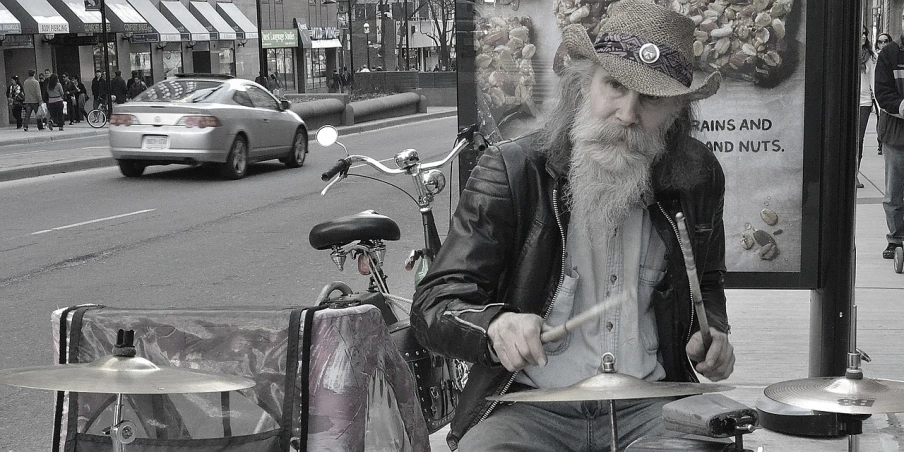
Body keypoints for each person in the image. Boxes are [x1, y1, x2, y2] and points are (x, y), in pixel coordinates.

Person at [410, 1, 734, 450]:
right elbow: (434, 303)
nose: (626, 114)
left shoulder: (698, 176)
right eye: (615, 86)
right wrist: (495, 327)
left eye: (652, 98)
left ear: (678, 110)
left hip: (652, 404)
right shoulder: (513, 170)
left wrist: (712, 330)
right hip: (531, 403)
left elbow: (710, 280)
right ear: (584, 85)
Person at [876, 15, 904, 260]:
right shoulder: (890, 54)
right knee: (894, 192)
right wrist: (902, 106)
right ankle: (896, 240)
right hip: (896, 135)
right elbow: (882, 92)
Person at [857, 28, 877, 189]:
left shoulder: (870, 57)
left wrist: (878, 102)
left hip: (864, 102)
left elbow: (874, 80)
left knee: (859, 139)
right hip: (849, 102)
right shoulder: (845, 52)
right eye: (861, 33)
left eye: (865, 34)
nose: (863, 36)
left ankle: (854, 174)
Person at [876, 33, 892, 156]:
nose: (883, 44)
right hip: (876, 94)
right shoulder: (877, 56)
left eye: (885, 41)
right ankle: (880, 140)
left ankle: (880, 142)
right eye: (880, 42)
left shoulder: (890, 56)